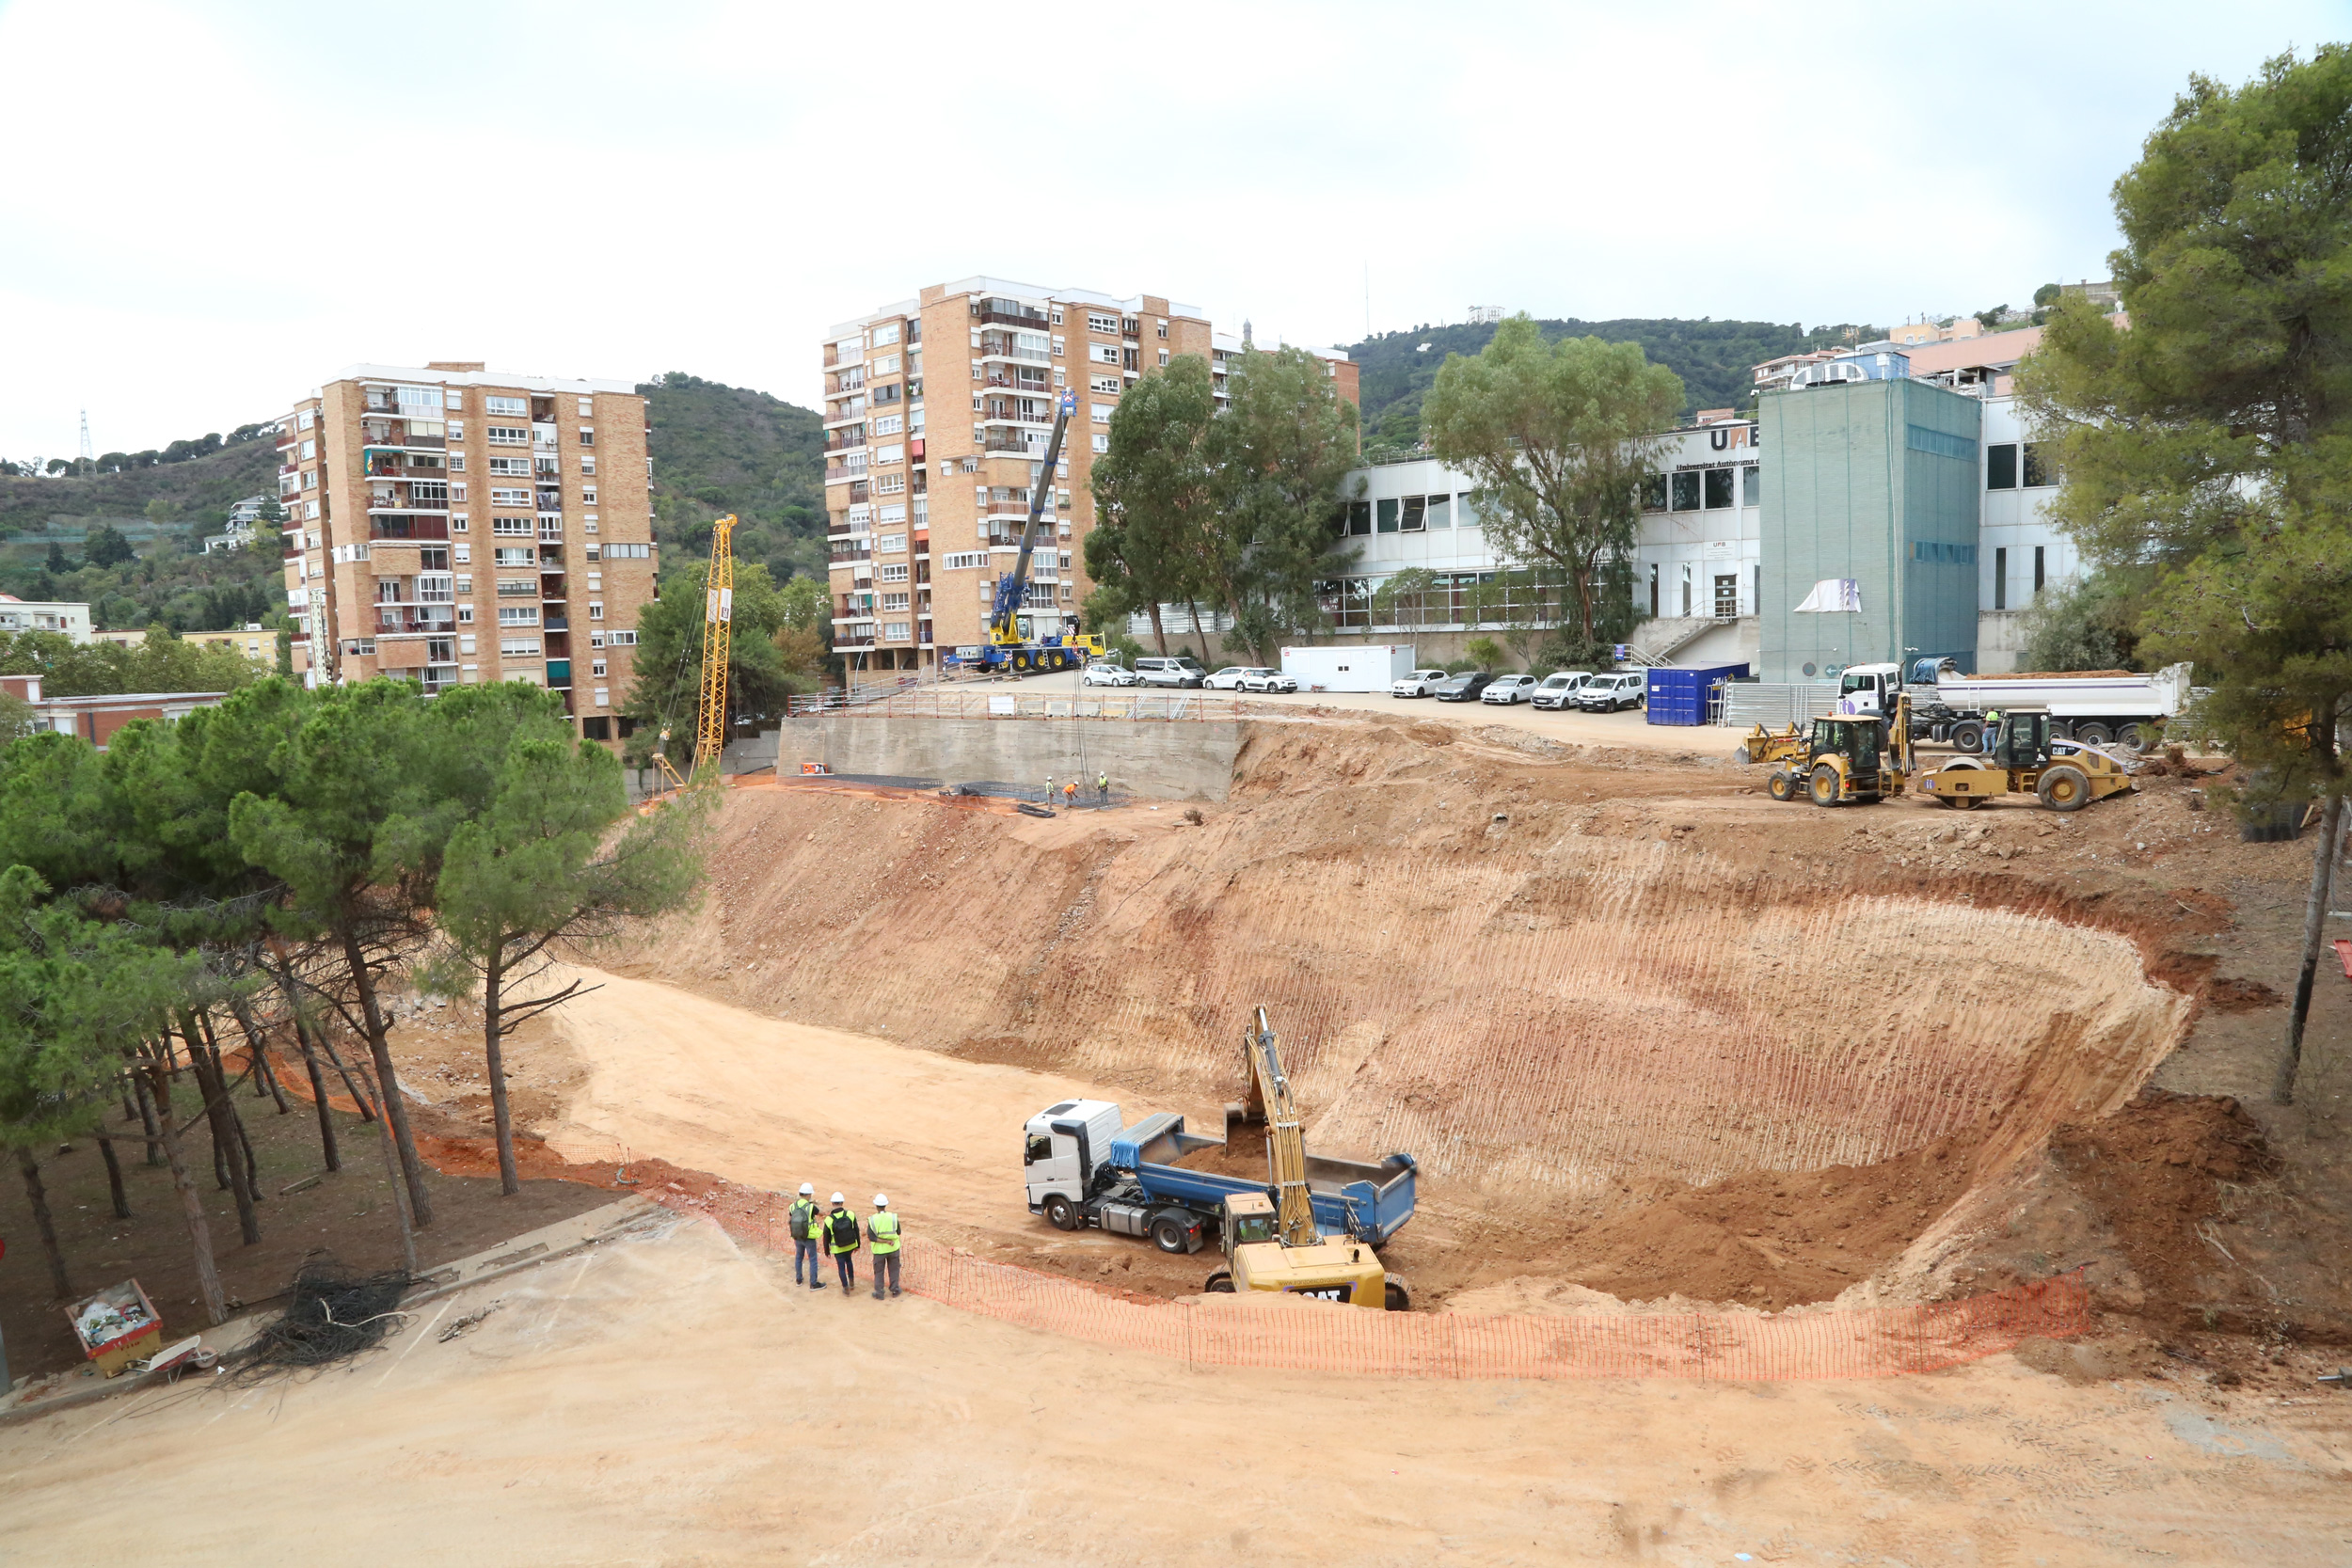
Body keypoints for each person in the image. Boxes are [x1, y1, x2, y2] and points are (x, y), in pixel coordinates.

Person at [787, 1181, 824, 1290]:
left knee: (799, 1257)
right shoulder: (811, 1207)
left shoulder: (792, 1206)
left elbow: (789, 1221)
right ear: (809, 1195)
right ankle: (813, 1283)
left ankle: (798, 1279)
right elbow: (820, 1213)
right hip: (809, 1236)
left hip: (797, 1235)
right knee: (813, 1259)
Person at [824, 1191, 861, 1292]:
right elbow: (856, 1230)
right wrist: (857, 1244)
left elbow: (826, 1237)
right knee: (849, 1261)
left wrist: (827, 1250)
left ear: (832, 1203)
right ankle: (852, 1283)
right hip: (850, 1245)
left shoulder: (828, 1219)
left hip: (837, 1248)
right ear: (842, 1203)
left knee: (841, 1267)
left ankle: (846, 1287)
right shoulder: (850, 1214)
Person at [867, 1194, 902, 1300]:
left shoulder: (872, 1219)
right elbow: (899, 1232)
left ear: (876, 1206)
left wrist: (884, 1241)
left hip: (879, 1251)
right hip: (893, 1249)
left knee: (879, 1272)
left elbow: (871, 1237)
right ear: (885, 1205)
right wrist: (888, 1240)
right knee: (894, 1270)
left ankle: (879, 1293)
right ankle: (895, 1290)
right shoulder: (893, 1217)